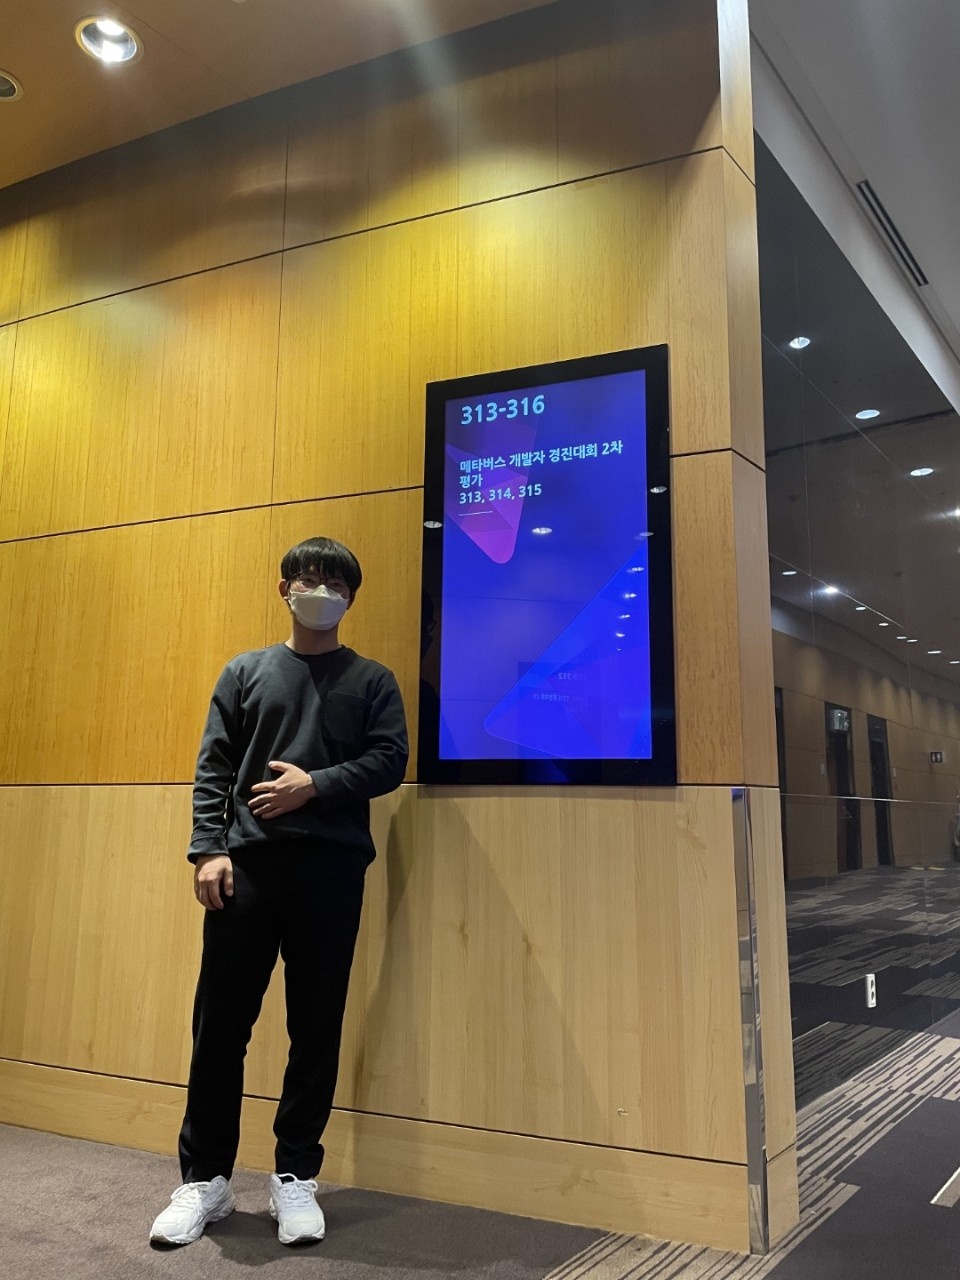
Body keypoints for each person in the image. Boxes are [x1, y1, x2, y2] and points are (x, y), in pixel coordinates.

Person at [150, 537, 408, 1247]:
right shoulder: (245, 672)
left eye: (335, 584)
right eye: (309, 579)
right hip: (247, 872)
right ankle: (205, 1179)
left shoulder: (372, 680)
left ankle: (295, 1176)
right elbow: (215, 766)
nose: (320, 592)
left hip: (331, 874)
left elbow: (390, 759)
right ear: (284, 588)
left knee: (315, 1028)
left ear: (352, 598)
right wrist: (208, 849)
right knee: (220, 1029)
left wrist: (313, 786)